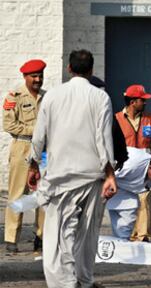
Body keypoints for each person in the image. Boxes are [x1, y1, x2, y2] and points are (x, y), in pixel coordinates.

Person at [27, 49, 117, 288]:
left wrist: (33, 166)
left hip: (60, 176)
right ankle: (83, 280)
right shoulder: (100, 97)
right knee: (87, 234)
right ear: (91, 70)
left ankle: (64, 283)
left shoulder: (53, 96)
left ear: (69, 69)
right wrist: (110, 175)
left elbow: (38, 137)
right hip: (92, 176)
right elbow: (104, 139)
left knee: (59, 234)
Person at [2, 59, 47, 253]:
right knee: (17, 194)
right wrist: (36, 131)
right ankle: (12, 239)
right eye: (34, 76)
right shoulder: (15, 97)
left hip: (44, 151)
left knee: (44, 194)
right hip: (22, 146)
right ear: (25, 77)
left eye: (40, 76)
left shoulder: (48, 97)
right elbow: (9, 125)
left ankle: (42, 236)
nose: (38, 80)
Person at [115, 84, 151, 242]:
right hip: (125, 169)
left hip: (144, 168)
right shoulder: (116, 119)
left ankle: (143, 237)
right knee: (126, 203)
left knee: (144, 200)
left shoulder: (150, 119)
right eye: (142, 100)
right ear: (132, 102)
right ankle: (128, 236)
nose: (145, 102)